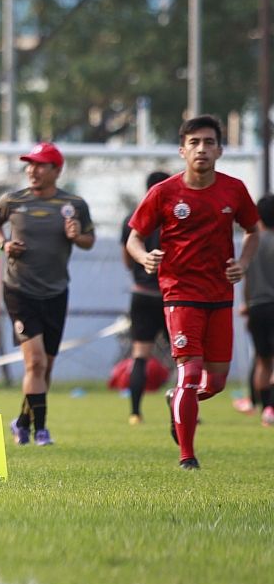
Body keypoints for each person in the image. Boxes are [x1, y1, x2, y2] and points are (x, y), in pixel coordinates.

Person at [128, 115, 259, 469]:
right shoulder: (164, 193)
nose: (202, 148)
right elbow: (134, 238)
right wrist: (145, 258)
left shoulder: (234, 190)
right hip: (180, 293)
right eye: (195, 142)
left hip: (220, 294)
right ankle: (188, 456)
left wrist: (243, 263)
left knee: (214, 382)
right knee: (189, 370)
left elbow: (252, 229)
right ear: (182, 150)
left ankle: (178, 399)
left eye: (209, 142)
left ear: (220, 149)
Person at [0, 142, 95, 447]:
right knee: (34, 363)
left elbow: (89, 240)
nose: (32, 170)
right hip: (19, 289)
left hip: (56, 292)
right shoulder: (13, 200)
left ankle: (22, 421)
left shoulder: (74, 204)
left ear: (56, 170)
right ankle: (41, 431)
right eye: (29, 165)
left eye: (40, 165)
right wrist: (4, 244)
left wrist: (77, 236)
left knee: (45, 366)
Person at [118, 171, 170, 425]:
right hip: (172, 296)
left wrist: (141, 268)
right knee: (185, 357)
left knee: (140, 354)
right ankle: (189, 411)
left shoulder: (132, 218)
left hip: (142, 293)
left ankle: (135, 412)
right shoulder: (175, 217)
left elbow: (127, 259)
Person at [241, 194, 274, 427]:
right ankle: (272, 406)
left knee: (262, 361)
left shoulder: (251, 241)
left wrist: (246, 304)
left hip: (256, 307)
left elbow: (245, 279)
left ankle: (264, 410)